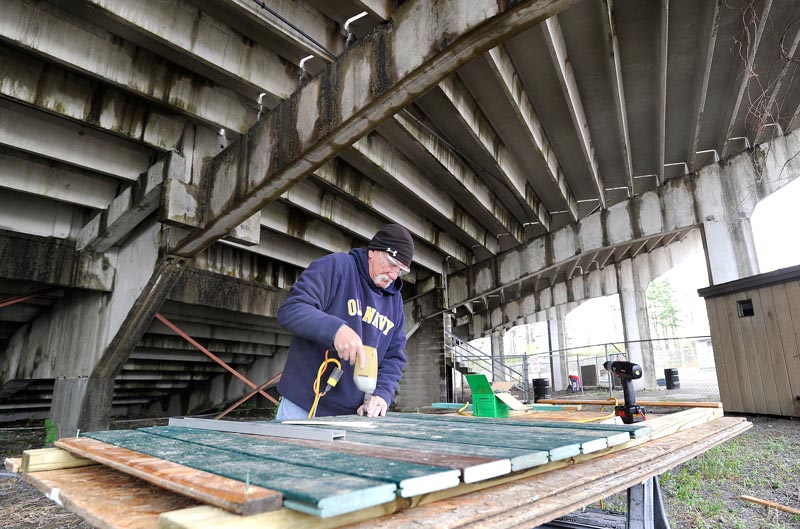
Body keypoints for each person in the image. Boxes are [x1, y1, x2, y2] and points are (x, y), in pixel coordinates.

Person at [274, 224, 414, 420]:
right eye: (391, 264)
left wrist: (382, 394)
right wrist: (336, 330)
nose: (393, 275)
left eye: (400, 270)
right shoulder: (336, 267)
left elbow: (394, 357)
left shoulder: (395, 302)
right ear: (372, 252)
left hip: (351, 416)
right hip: (302, 407)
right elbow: (291, 309)